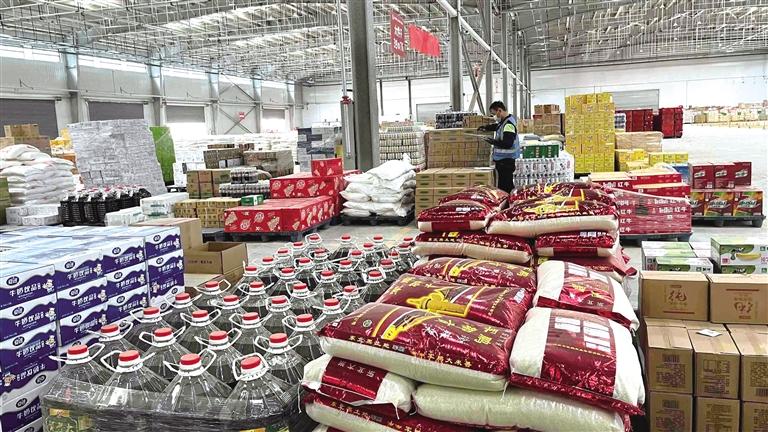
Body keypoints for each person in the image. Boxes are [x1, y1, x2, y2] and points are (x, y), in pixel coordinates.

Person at [477, 101, 520, 193]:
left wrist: (493, 142)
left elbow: (508, 143)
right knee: (504, 184)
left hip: (506, 161)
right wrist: (486, 127)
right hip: (503, 161)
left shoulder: (508, 124)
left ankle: (508, 200)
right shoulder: (504, 121)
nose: (494, 116)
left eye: (494, 114)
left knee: (505, 186)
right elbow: (497, 126)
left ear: (499, 111)